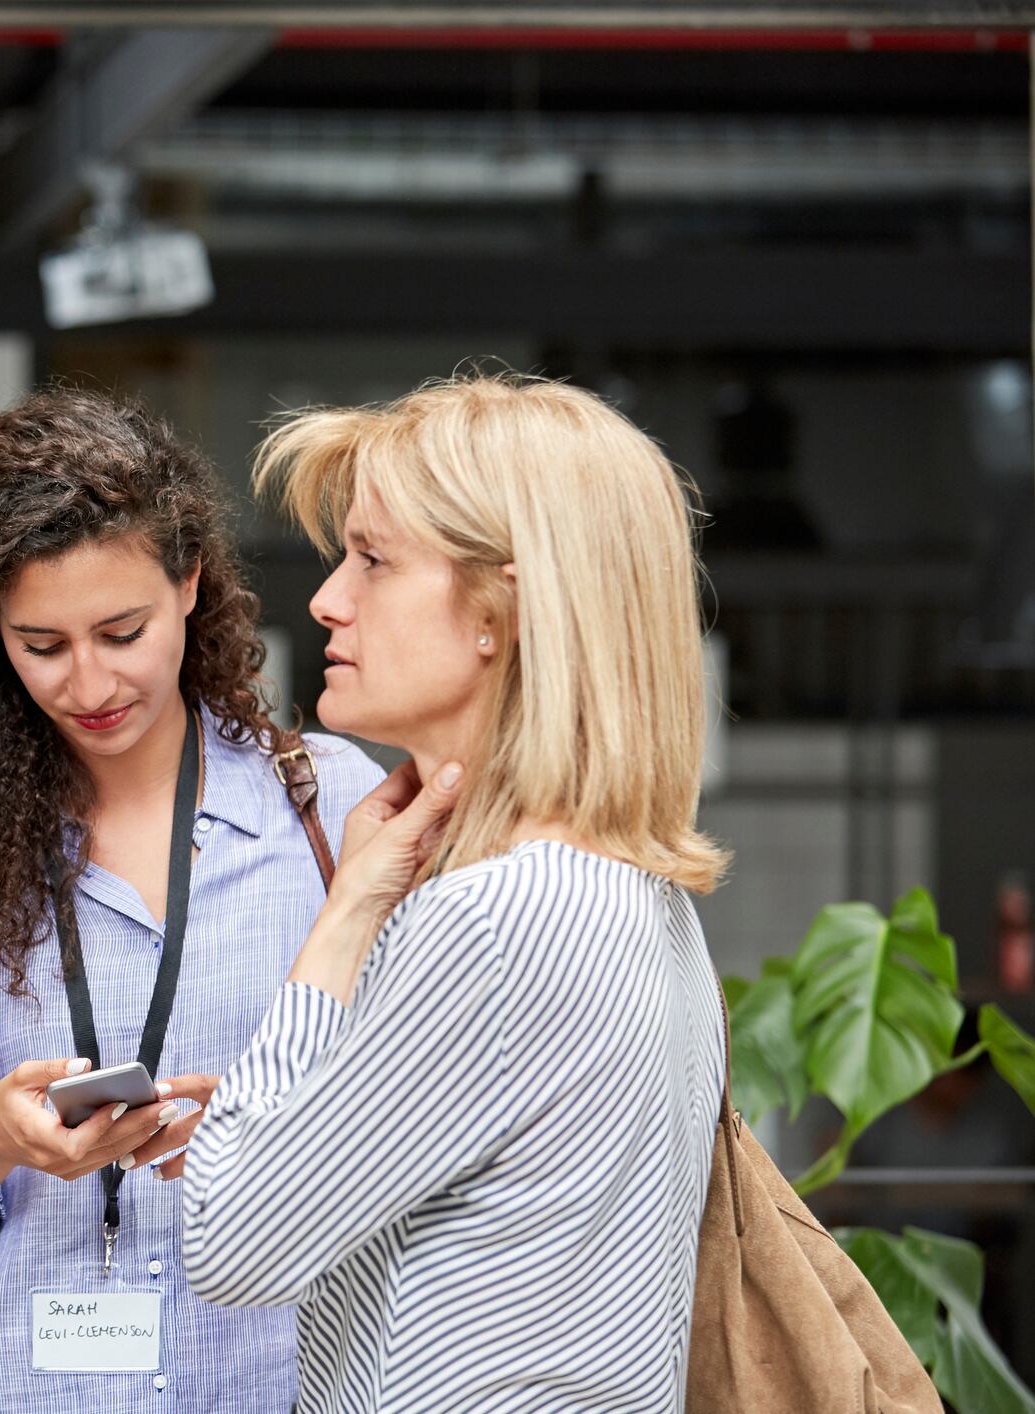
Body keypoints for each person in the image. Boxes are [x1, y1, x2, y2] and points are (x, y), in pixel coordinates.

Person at [0, 388, 385, 1411]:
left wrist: (279, 1135)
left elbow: (421, 1128)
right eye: (42, 645)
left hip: (256, 1382)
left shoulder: (334, 805)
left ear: (190, 581)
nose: (89, 684)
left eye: (121, 631)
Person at [183, 373, 730, 1412]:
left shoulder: (491, 922)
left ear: (501, 610)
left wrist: (344, 916)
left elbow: (231, 1239)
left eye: (375, 560)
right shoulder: (643, 905)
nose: (328, 598)